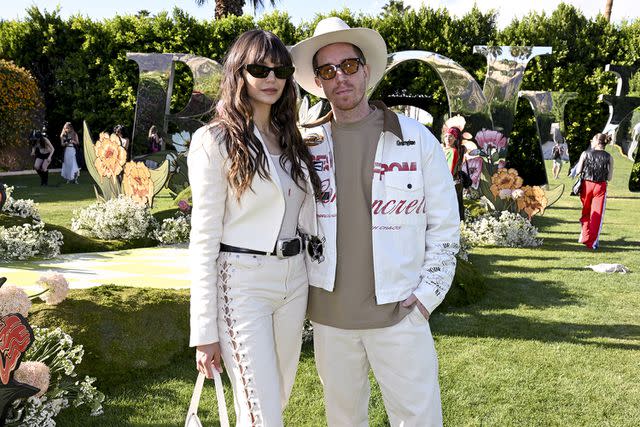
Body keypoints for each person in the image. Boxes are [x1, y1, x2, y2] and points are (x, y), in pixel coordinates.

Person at [291, 17, 460, 427]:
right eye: (328, 71)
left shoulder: (416, 138)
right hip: (330, 318)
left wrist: (425, 297)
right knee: (344, 419)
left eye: (348, 66)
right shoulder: (305, 144)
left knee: (418, 418)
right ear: (318, 81)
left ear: (366, 69)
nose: (340, 78)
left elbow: (444, 226)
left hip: (399, 312)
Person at [188, 29, 321, 426]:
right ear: (238, 74)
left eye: (280, 69)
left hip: (294, 282)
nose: (271, 78)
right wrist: (204, 331)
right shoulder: (214, 140)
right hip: (242, 284)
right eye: (259, 68)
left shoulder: (292, 139)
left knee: (274, 399)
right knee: (262, 412)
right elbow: (204, 239)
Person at [574, 133, 614, 250]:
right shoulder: (609, 157)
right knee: (597, 215)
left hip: (586, 185)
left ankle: (584, 236)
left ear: (597, 142)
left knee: (586, 211)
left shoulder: (585, 154)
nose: (591, 141)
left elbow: (578, 171)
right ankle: (591, 243)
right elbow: (610, 177)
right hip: (600, 186)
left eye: (593, 140)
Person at [442, 126, 466, 220]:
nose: (448, 138)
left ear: (455, 138)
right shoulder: (443, 149)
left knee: (452, 206)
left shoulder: (453, 151)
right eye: (446, 136)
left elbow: (450, 170)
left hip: (450, 182)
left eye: (451, 136)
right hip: (447, 181)